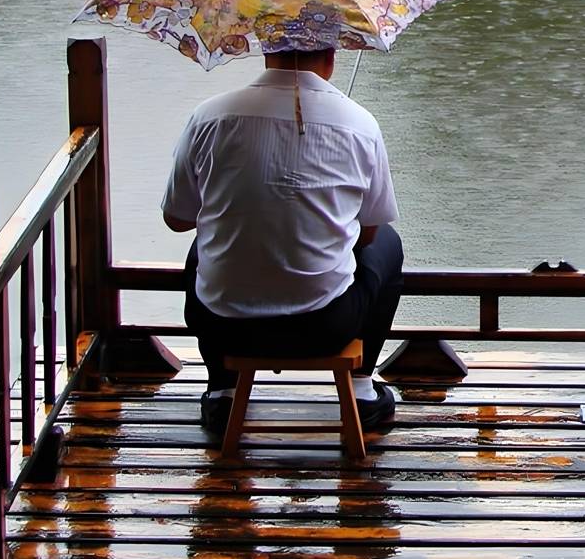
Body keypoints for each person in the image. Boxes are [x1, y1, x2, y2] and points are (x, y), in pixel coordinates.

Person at [163, 47, 404, 438]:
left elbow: (177, 219)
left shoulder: (210, 115)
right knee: (388, 244)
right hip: (324, 326)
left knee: (202, 243)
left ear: (265, 52)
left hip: (226, 326)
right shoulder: (359, 123)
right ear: (329, 57)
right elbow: (372, 230)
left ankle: (223, 390)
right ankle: (360, 389)